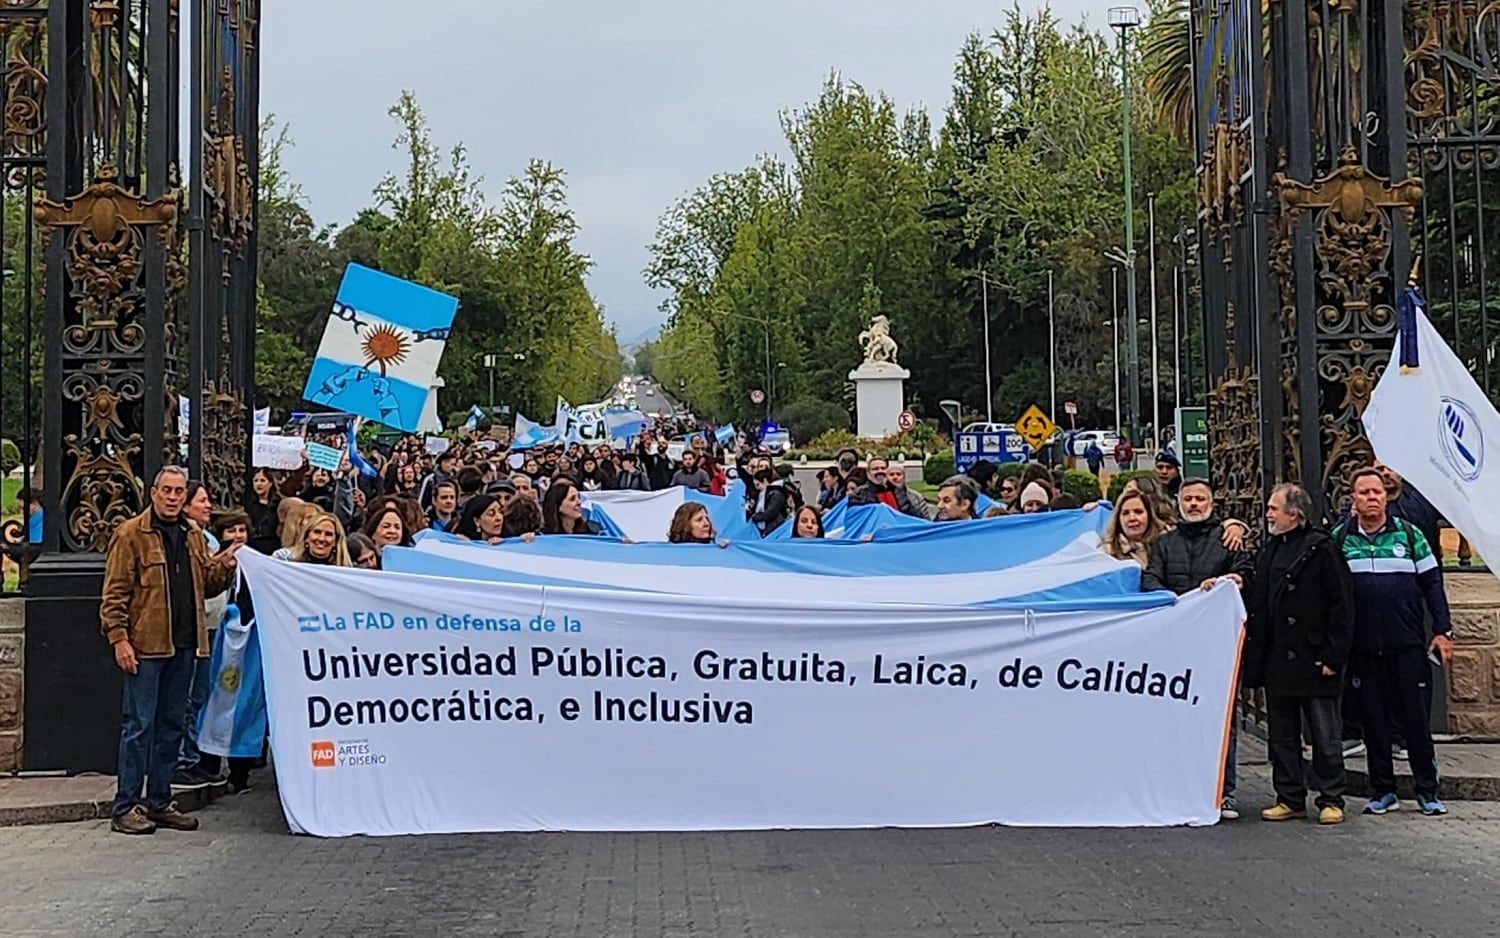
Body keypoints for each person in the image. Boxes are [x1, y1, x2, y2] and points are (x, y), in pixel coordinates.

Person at [100, 466, 239, 835]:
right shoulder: (130, 534)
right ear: (154, 493)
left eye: (180, 491)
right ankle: (126, 805)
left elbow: (206, 585)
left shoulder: (193, 534)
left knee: (171, 727)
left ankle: (159, 801)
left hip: (184, 644)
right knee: (139, 726)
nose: (174, 497)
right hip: (146, 646)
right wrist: (120, 639)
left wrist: (224, 566)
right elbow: (114, 594)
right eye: (168, 490)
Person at [1337, 467, 1454, 817]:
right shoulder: (1340, 538)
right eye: (1364, 493)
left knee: (1415, 721)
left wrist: (1443, 630)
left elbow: (1433, 585)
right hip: (1363, 647)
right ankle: (1382, 789)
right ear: (1354, 499)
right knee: (1373, 721)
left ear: (1385, 497)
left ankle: (1427, 790)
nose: (1372, 498)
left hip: (1406, 644)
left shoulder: (1410, 534)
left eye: (1377, 492)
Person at [1141, 478, 1253, 820]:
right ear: (1178, 503)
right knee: (1173, 717)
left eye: (1200, 499)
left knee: (1221, 719)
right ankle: (1176, 788)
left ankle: (1224, 791)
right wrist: (1176, 603)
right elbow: (1150, 580)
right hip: (1174, 649)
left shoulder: (1228, 540)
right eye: (1187, 498)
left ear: (1212, 504)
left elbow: (1246, 572)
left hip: (1215, 649)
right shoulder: (1164, 544)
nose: (1193, 504)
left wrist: (1230, 582)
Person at [1244, 484, 1355, 825]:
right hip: (1280, 662)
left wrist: (1333, 656)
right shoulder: (1270, 549)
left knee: (1324, 736)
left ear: (1294, 514)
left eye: (1274, 508)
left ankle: (1331, 798)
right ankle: (1289, 796)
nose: (1268, 514)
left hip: (1315, 660)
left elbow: (1342, 605)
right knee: (1282, 736)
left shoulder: (1322, 549)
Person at [1100, 490, 1165, 568]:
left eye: (1138, 512)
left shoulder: (1166, 545)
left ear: (1149, 515)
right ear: (1118, 519)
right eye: (1125, 513)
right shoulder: (1105, 553)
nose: (1132, 518)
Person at [849, 457, 928, 519]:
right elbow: (855, 517)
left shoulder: (898, 491)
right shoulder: (859, 493)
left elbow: (912, 515)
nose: (880, 471)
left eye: (883, 468)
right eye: (875, 469)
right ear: (868, 473)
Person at [245, 468, 281, 555]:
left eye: (262, 480)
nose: (259, 484)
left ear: (270, 483)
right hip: (254, 548)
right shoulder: (249, 505)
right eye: (256, 481)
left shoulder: (278, 504)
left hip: (273, 547)